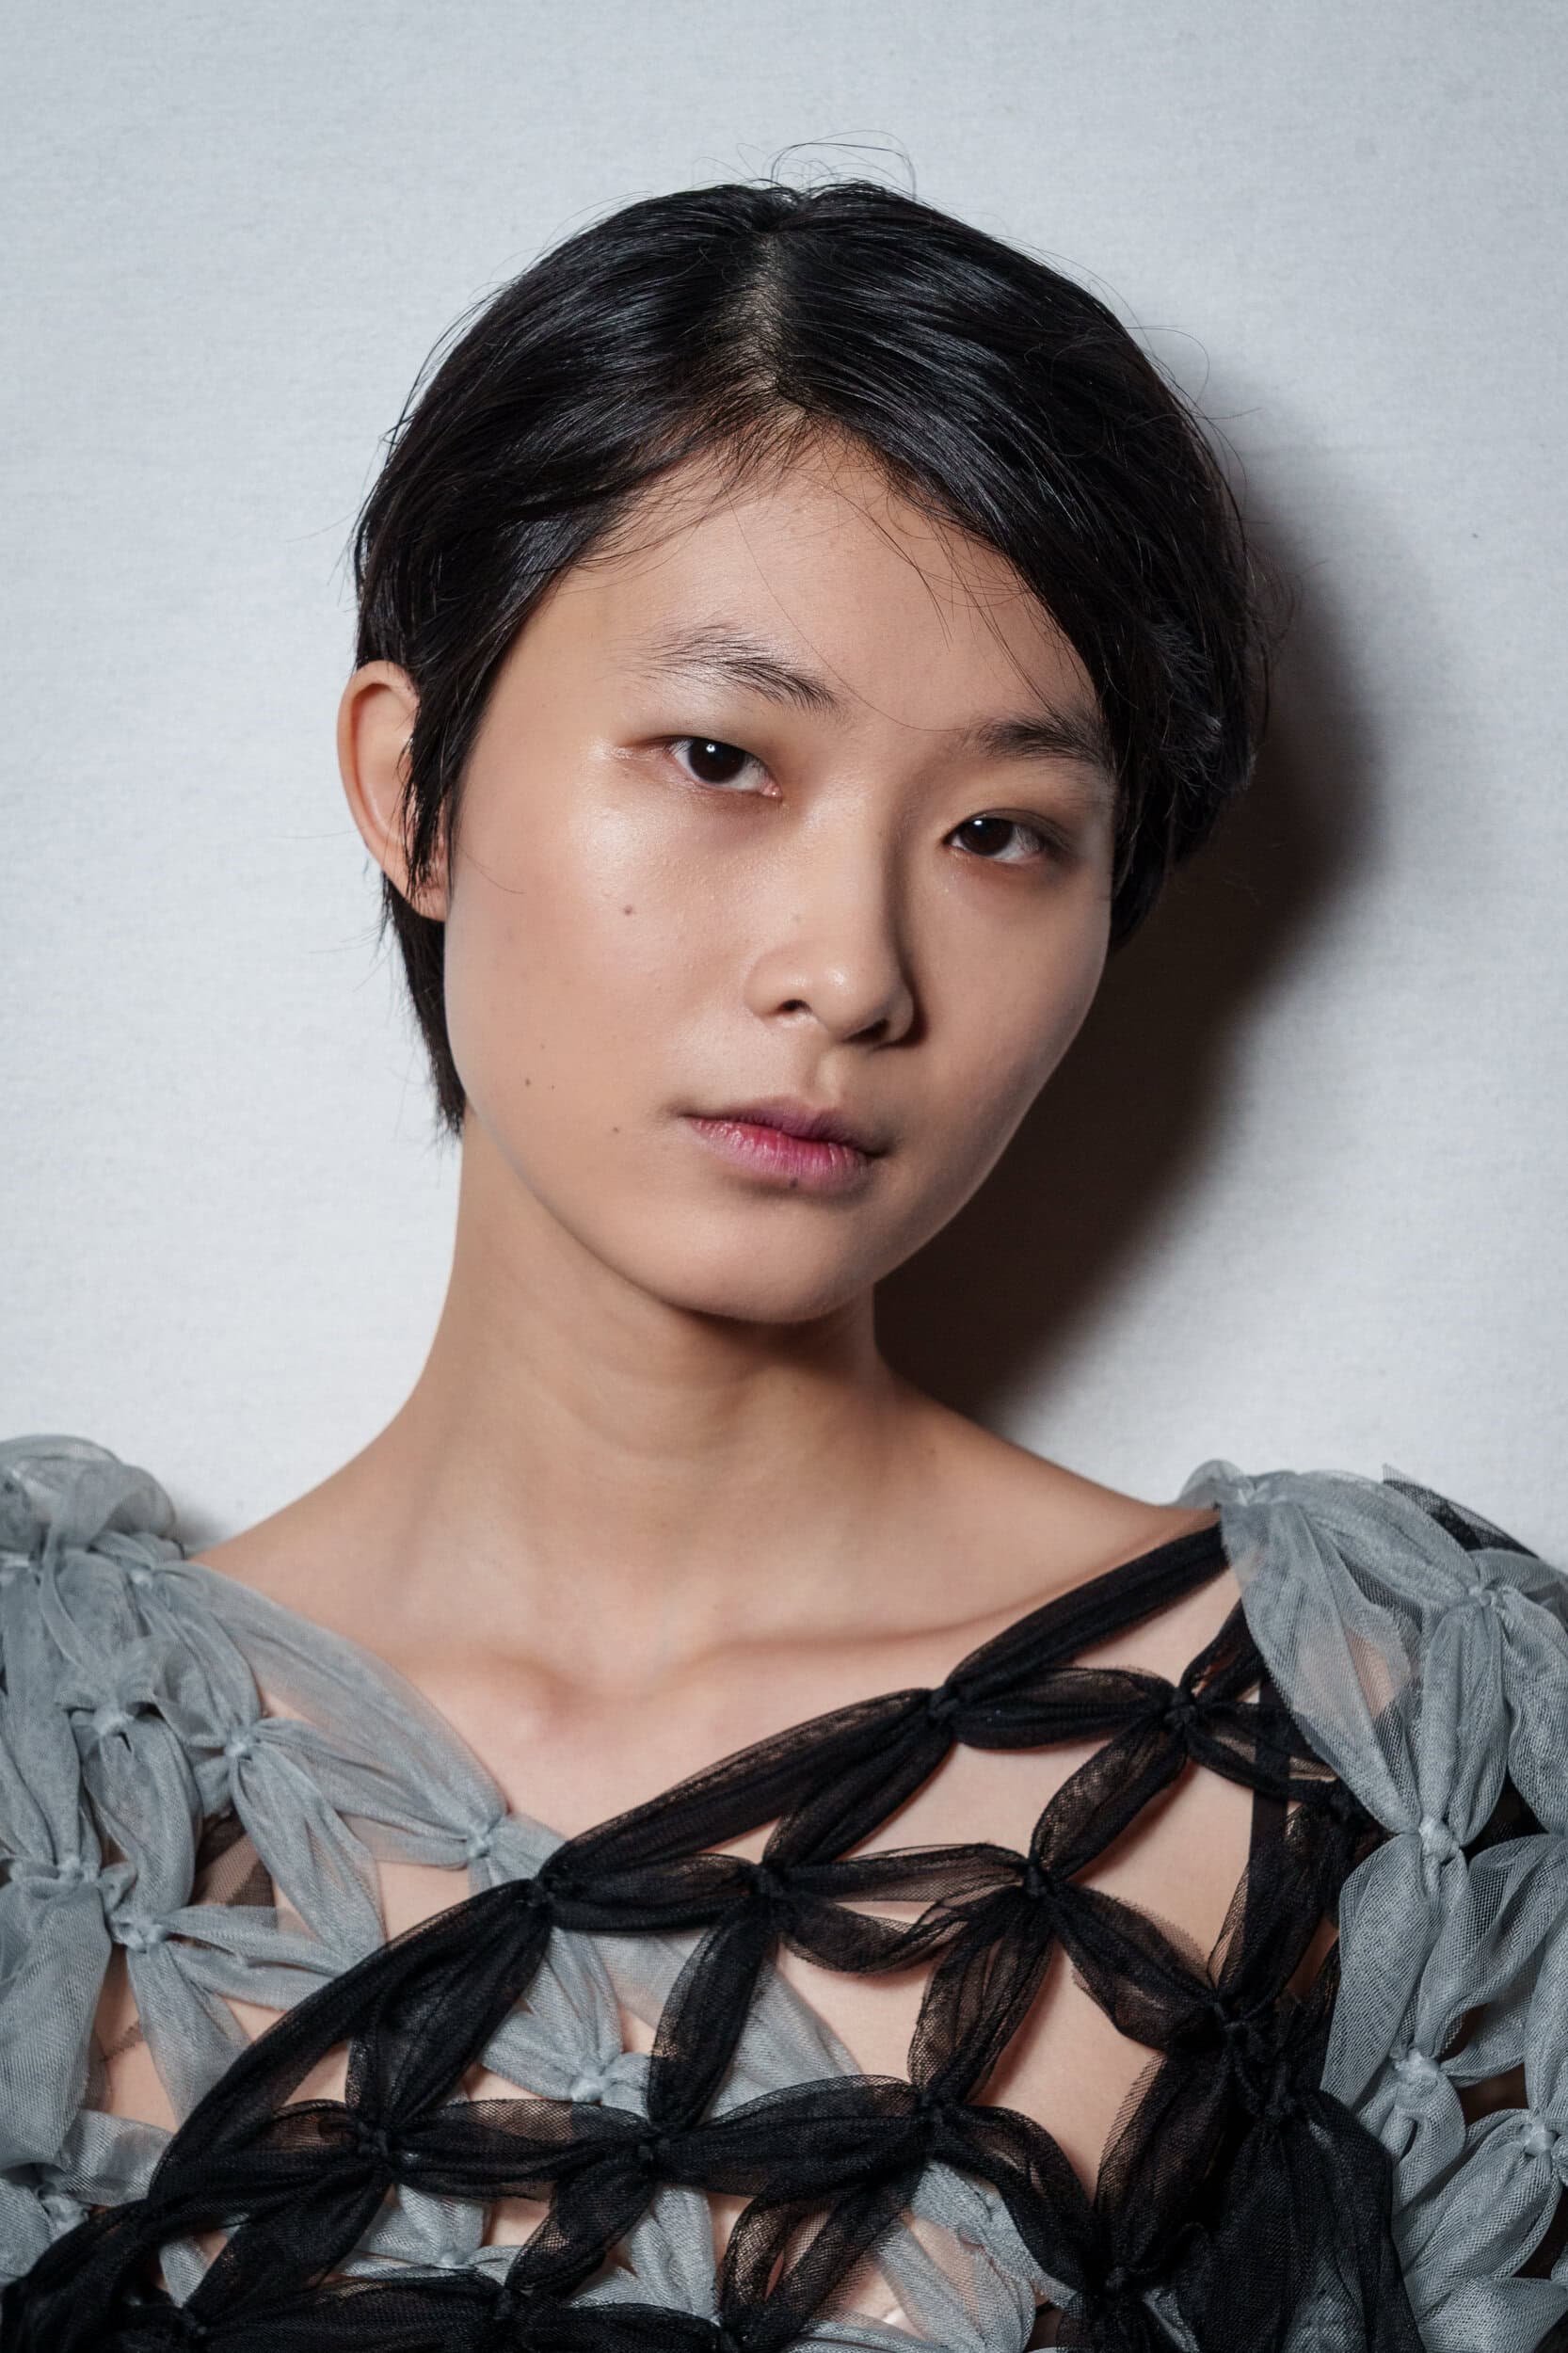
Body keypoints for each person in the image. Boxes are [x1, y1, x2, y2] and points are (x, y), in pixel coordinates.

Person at [0, 177, 1562, 2353]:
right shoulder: (53, 1751)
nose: (848, 966)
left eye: (1001, 832)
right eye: (720, 758)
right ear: (412, 787)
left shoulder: (1370, 1742)